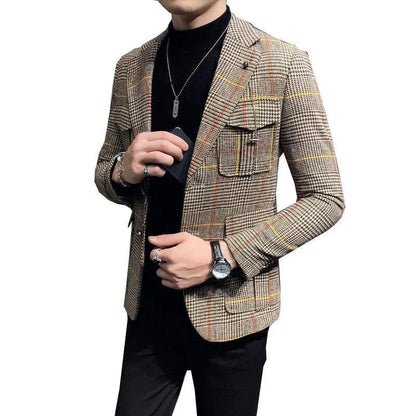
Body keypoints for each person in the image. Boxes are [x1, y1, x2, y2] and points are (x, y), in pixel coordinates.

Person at [94, 1, 346, 415]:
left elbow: (325, 198)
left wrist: (220, 256)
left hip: (234, 311)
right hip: (148, 309)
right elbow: (106, 172)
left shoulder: (282, 63)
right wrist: (124, 169)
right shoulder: (131, 67)